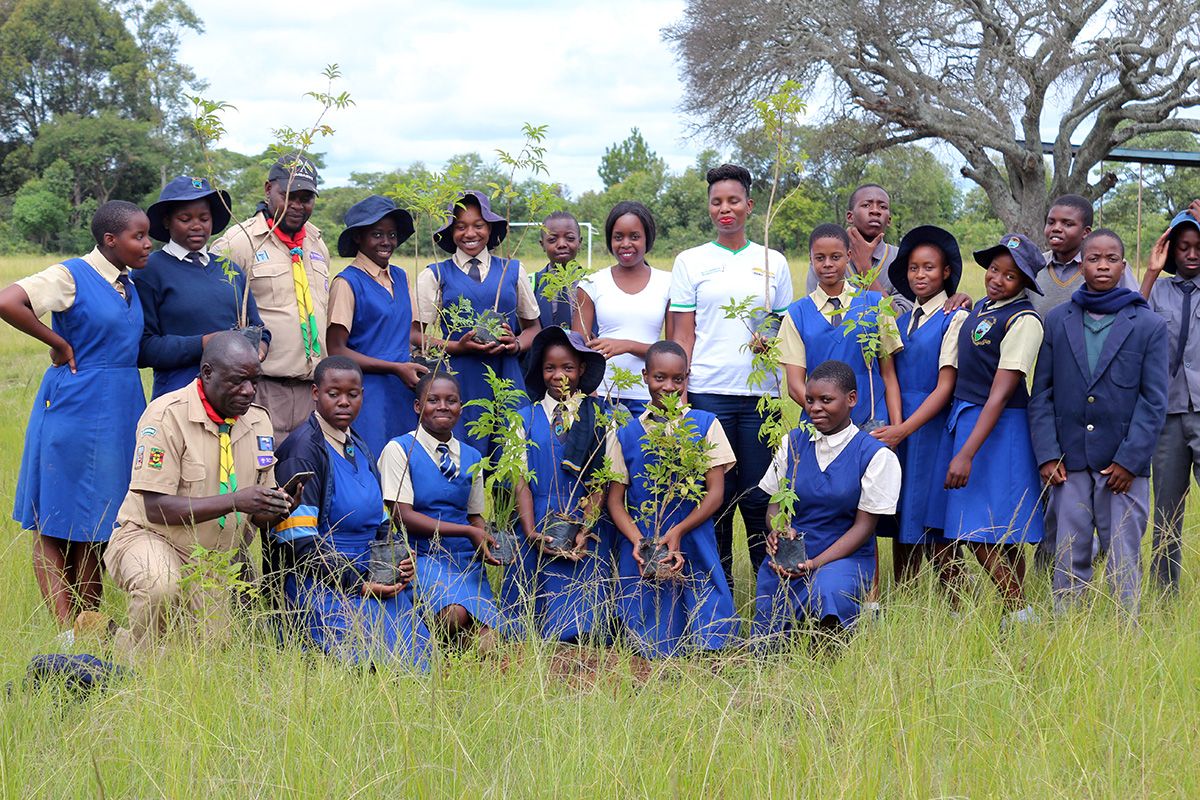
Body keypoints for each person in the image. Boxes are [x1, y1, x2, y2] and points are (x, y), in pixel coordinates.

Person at [81, 332, 299, 657]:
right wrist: (237, 500)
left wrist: (278, 506)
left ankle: (106, 634)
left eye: (255, 381)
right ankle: (139, 684)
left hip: (211, 556)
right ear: (207, 373)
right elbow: (155, 508)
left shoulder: (258, 421)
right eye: (239, 382)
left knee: (199, 655)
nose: (249, 391)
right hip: (151, 537)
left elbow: (257, 512)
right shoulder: (165, 416)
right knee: (160, 587)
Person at [2, 200, 152, 627]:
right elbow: (9, 301)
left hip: (121, 406)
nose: (147, 244)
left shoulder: (129, 283)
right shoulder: (71, 275)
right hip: (77, 404)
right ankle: (67, 633)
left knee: (99, 521)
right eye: (138, 236)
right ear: (110, 240)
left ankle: (91, 624)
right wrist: (59, 343)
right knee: (54, 517)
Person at [1030, 230, 1167, 615]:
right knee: (1069, 551)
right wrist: (1047, 454)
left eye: (1111, 259)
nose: (1102, 266)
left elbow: (1154, 400)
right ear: (1081, 266)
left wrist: (1131, 461)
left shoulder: (1147, 324)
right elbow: (1041, 393)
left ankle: (1126, 633)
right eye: (1093, 259)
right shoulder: (1058, 320)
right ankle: (1068, 629)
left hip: (1122, 466)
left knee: (1124, 553)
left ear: (1123, 266)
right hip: (1068, 463)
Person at [669, 163, 793, 586]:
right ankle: (717, 596)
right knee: (713, 500)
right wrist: (682, 395)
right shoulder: (690, 262)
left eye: (733, 201)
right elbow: (682, 333)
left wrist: (768, 335)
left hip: (762, 399)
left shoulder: (772, 261)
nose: (725, 209)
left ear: (749, 205)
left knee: (760, 500)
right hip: (708, 395)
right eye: (717, 202)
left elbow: (783, 324)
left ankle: (766, 595)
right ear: (709, 207)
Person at [271, 356, 432, 668]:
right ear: (316, 393)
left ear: (362, 395)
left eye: (353, 394)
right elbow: (299, 544)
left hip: (374, 579)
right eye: (334, 394)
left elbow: (381, 521)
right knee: (377, 665)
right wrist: (358, 583)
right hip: (323, 585)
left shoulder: (358, 444)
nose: (344, 402)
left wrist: (400, 559)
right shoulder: (302, 451)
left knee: (420, 657)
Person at [606, 340, 739, 658]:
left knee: (705, 608)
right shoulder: (624, 432)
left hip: (693, 531)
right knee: (648, 626)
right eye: (659, 378)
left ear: (686, 378)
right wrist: (638, 540)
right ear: (644, 376)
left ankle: (710, 650)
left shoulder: (706, 424)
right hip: (643, 538)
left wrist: (678, 531)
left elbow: (716, 493)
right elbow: (615, 501)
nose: (668, 386)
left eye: (677, 380)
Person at [753, 360, 901, 640]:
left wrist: (815, 563)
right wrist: (777, 529)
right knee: (771, 621)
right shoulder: (792, 443)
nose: (815, 408)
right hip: (794, 553)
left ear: (852, 399)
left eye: (826, 400)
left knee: (826, 590)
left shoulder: (876, 455)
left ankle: (831, 645)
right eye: (810, 400)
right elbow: (775, 504)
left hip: (845, 555)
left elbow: (864, 528)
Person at [943, 234, 1046, 624]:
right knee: (991, 525)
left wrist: (967, 452)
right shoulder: (985, 307)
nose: (998, 279)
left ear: (1024, 284)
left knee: (978, 526)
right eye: (994, 270)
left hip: (999, 428)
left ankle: (1020, 611)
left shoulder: (1025, 320)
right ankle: (1011, 613)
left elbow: (1001, 393)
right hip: (970, 419)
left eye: (1011, 275)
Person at [378, 371, 511, 648]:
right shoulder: (399, 449)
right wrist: (467, 531)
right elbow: (402, 514)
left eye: (451, 400)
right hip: (421, 556)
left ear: (460, 407)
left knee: (492, 642)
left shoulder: (473, 456)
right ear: (418, 407)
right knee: (454, 615)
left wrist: (488, 542)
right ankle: (429, 639)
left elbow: (474, 515)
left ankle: (454, 648)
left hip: (463, 559)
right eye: (433, 400)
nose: (442, 406)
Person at [501, 326, 615, 642]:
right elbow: (520, 480)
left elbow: (602, 481)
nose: (558, 375)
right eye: (550, 368)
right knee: (529, 616)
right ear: (540, 371)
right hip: (535, 517)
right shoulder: (522, 418)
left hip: (583, 521)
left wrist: (583, 526)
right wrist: (529, 531)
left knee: (583, 621)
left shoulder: (601, 416)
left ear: (581, 370)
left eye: (567, 367)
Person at [871, 226, 969, 586]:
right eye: (913, 268)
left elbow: (946, 386)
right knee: (901, 517)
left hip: (931, 429)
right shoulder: (899, 320)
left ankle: (958, 607)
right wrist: (896, 428)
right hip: (900, 428)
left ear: (945, 272)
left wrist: (904, 429)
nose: (920, 275)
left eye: (929, 268)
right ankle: (907, 602)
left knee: (935, 519)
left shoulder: (954, 318)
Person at [411, 190, 541, 455]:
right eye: (461, 227)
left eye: (478, 225)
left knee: (511, 453)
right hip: (458, 381)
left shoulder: (513, 270)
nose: (470, 234)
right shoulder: (435, 274)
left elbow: (533, 328)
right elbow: (415, 336)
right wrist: (457, 347)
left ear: (490, 228)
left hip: (506, 377)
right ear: (451, 232)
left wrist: (515, 343)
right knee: (464, 455)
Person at [211, 153, 331, 441]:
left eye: (306, 198)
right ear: (268, 190)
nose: (297, 206)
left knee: (305, 476)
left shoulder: (317, 243)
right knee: (261, 473)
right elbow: (216, 313)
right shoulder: (238, 242)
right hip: (262, 388)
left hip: (311, 390)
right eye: (288, 195)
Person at [137, 175, 270, 398]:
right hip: (179, 396)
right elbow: (144, 348)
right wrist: (205, 343)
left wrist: (258, 350)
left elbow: (258, 328)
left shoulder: (231, 271)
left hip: (234, 398)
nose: (197, 226)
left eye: (204, 218)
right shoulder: (149, 271)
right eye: (185, 219)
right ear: (167, 221)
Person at [326, 195, 426, 458]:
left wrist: (455, 345)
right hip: (366, 393)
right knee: (372, 461)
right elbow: (336, 350)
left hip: (403, 391)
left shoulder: (402, 278)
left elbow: (412, 335)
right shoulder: (347, 283)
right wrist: (394, 368)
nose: (386, 242)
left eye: (392, 235)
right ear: (359, 237)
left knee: (403, 467)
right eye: (377, 234)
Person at [780, 223, 903, 428]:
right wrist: (828, 418)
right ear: (810, 259)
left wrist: (896, 428)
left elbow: (889, 374)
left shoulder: (875, 305)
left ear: (848, 256)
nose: (827, 264)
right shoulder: (796, 315)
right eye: (820, 258)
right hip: (820, 424)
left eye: (835, 257)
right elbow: (794, 385)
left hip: (872, 419)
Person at [1142, 207, 1200, 592]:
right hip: (1167, 416)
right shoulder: (1158, 292)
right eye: (1183, 247)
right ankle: (1164, 595)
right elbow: (1128, 319)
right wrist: (1150, 271)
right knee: (1166, 512)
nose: (1192, 254)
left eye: (1198, 247)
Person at [575, 201, 671, 417]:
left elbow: (673, 351)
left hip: (651, 396)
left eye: (634, 236)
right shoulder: (591, 283)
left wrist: (626, 345)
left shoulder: (668, 283)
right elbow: (578, 347)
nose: (626, 243)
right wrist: (589, 391)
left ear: (648, 238)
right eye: (618, 237)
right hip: (602, 394)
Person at [1033, 194, 1139, 317]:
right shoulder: (1035, 265)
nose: (1056, 228)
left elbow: (1135, 310)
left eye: (1067, 224)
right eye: (1051, 222)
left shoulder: (1111, 266)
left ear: (1086, 233)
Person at [531, 210, 584, 332]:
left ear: (579, 242)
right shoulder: (532, 284)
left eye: (570, 238)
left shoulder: (593, 283)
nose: (561, 244)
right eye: (552, 240)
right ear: (542, 245)